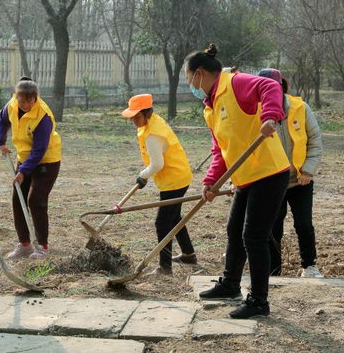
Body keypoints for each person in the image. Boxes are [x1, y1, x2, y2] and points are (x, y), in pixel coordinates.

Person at [187, 44, 291, 319]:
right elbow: (221, 150)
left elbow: (270, 87)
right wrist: (212, 181)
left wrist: (269, 116)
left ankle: (258, 301)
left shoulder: (235, 83)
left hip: (269, 173)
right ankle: (231, 284)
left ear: (199, 74)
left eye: (190, 81)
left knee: (253, 237)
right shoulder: (210, 108)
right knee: (235, 230)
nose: (191, 87)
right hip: (245, 176)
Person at [257, 69, 324, 278]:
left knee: (304, 224)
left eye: (272, 89)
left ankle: (309, 266)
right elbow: (242, 149)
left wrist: (308, 171)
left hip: (299, 182)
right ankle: (273, 272)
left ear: (281, 88)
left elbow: (315, 142)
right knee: (272, 229)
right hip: (271, 182)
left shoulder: (301, 108)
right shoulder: (253, 112)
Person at [121, 94, 196, 276]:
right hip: (177, 175)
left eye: (137, 117)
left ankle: (165, 267)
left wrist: (143, 175)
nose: (134, 121)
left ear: (148, 113)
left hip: (174, 180)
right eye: (131, 117)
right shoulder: (152, 123)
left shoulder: (154, 133)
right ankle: (188, 254)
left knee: (162, 223)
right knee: (174, 217)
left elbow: (157, 164)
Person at [0, 77, 61, 260]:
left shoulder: (43, 116)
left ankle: (42, 246)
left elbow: (39, 149)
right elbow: (1, 120)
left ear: (36, 98)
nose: (25, 104)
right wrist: (0, 142)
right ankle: (24, 244)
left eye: (29, 100)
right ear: (16, 97)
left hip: (47, 161)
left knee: (35, 200)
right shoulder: (12, 105)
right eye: (21, 100)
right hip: (24, 158)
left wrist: (23, 172)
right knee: (18, 199)